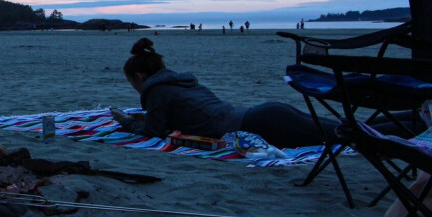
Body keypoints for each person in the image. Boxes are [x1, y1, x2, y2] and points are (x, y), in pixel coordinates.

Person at [112, 37, 339, 149]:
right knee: (346, 130)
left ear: (140, 76)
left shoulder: (157, 91)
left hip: (258, 126)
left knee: (347, 136)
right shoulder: (180, 82)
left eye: (132, 82)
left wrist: (125, 122)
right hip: (266, 113)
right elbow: (188, 114)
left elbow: (154, 132)